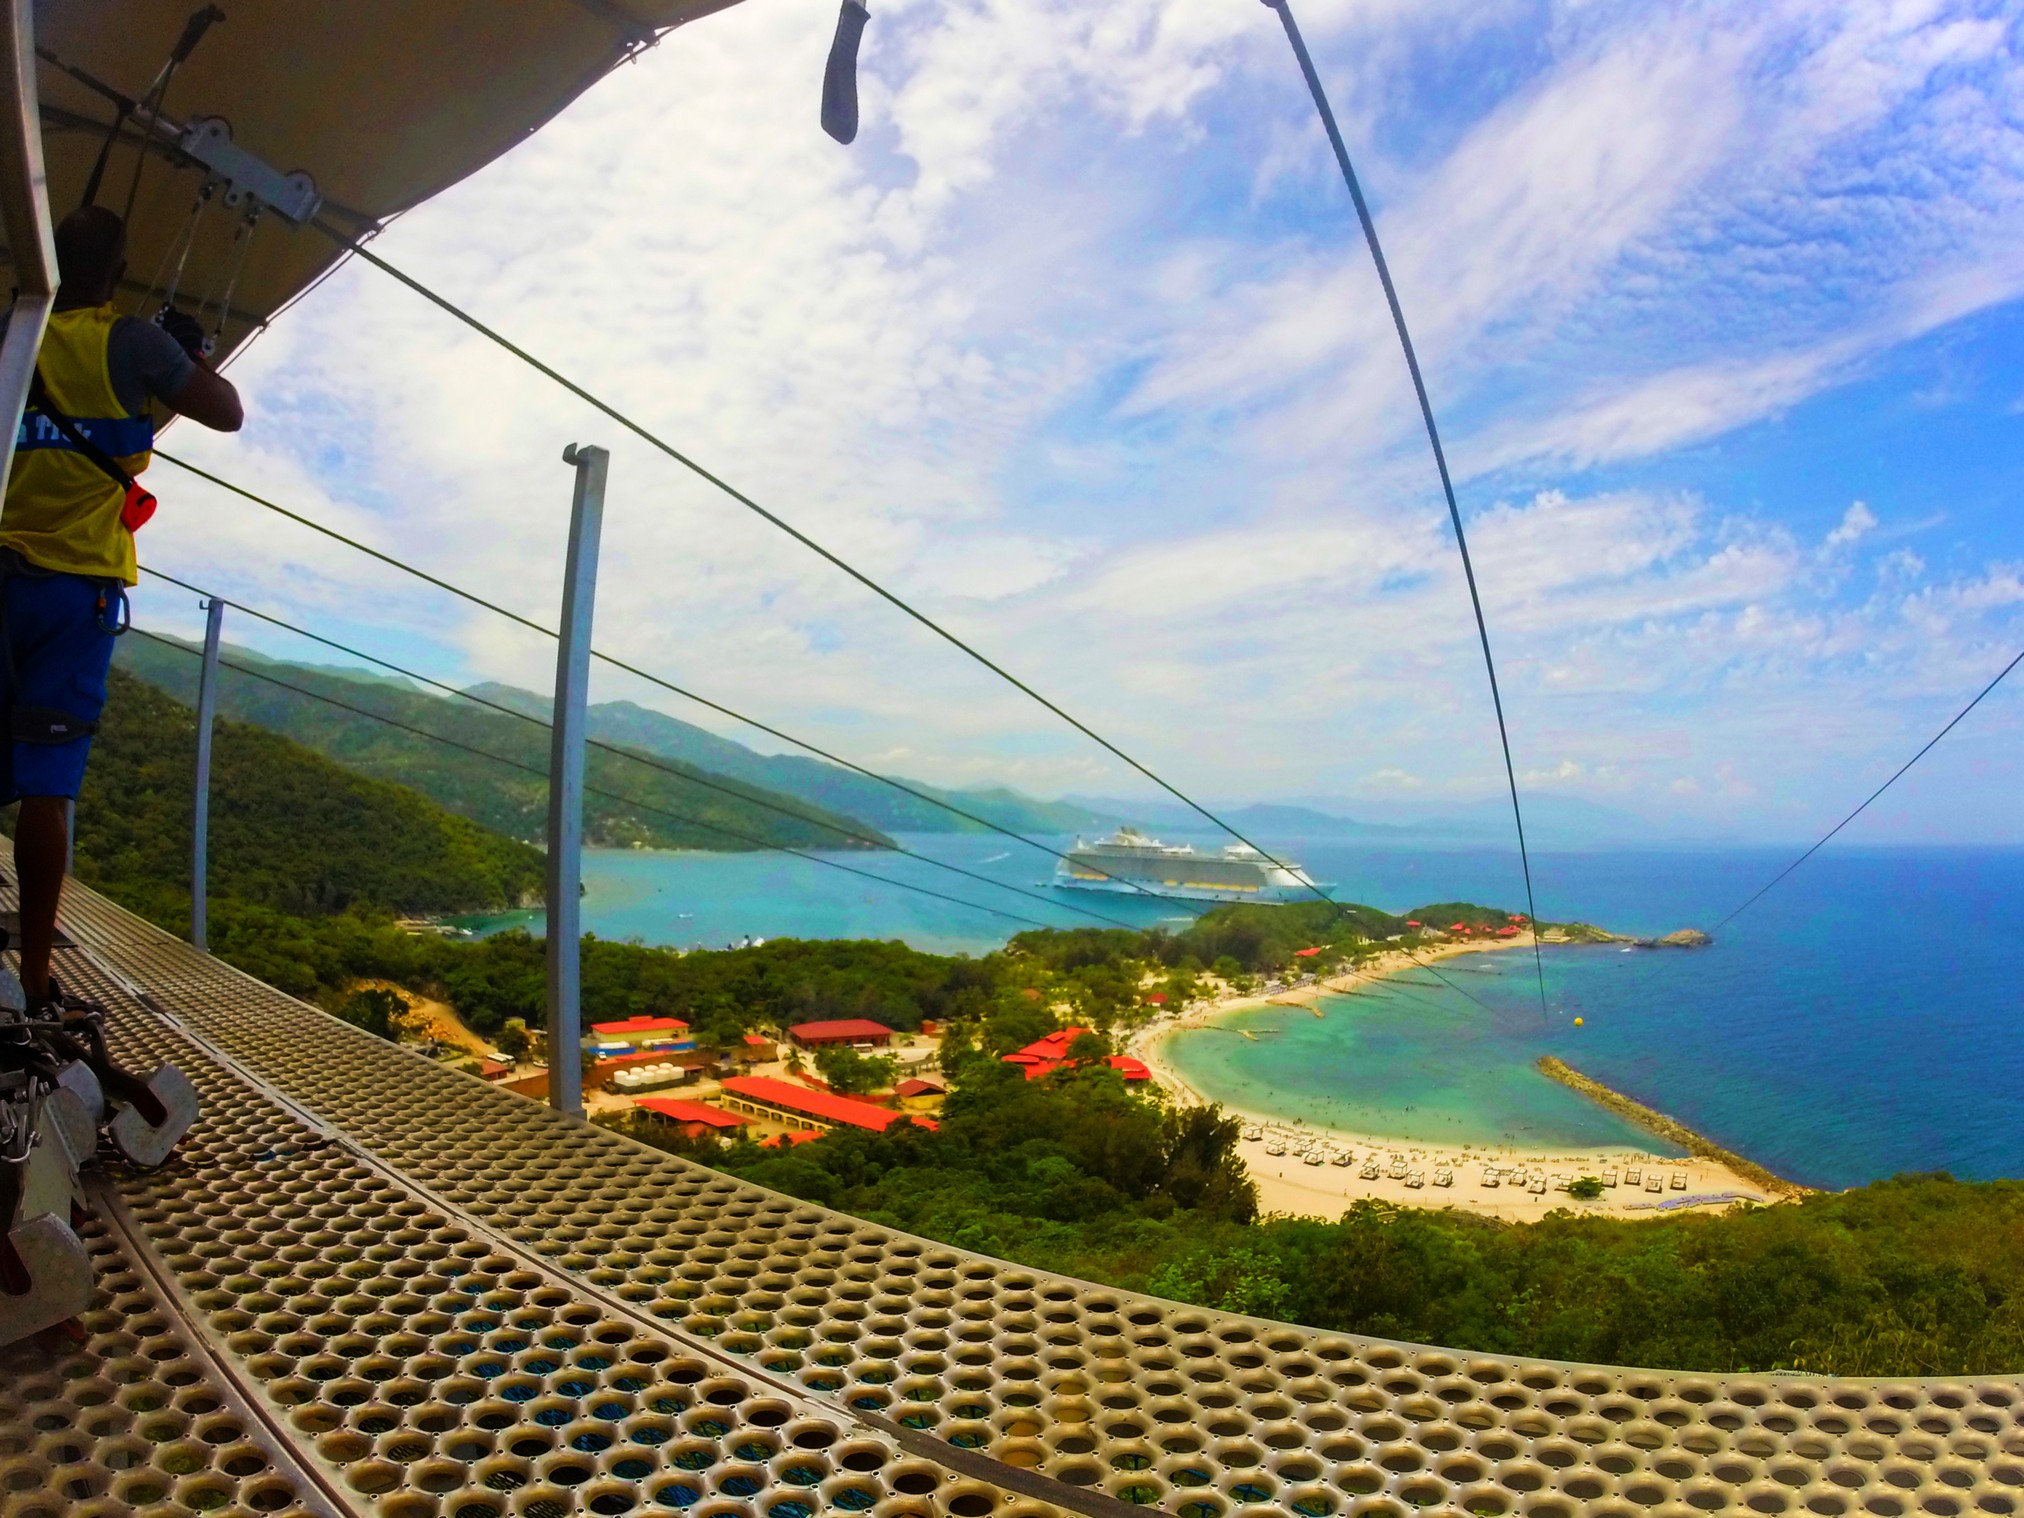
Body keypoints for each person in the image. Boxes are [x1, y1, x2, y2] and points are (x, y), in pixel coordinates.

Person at [1, 204, 242, 1009]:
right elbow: (226, 410)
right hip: (74, 587)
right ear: (116, 271)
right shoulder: (130, 341)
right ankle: (34, 974)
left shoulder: (11, 337)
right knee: (47, 783)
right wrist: (186, 349)